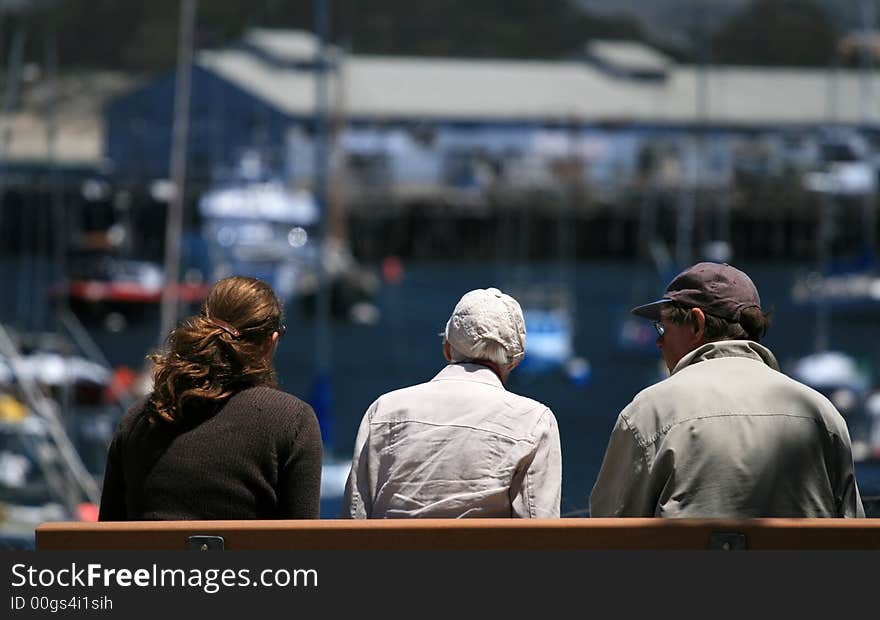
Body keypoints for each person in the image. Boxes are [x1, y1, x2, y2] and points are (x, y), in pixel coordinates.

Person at [590, 262, 865, 518]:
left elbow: (609, 531)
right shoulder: (821, 412)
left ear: (697, 324)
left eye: (662, 329)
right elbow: (854, 534)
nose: (658, 343)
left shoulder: (651, 411)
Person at [98, 276, 322, 520]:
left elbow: (108, 535)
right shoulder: (292, 422)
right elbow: (302, 544)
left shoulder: (138, 418)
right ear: (270, 343)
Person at [342, 287, 562, 518]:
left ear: (447, 349)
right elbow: (538, 530)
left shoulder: (383, 410)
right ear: (514, 362)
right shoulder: (533, 421)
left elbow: (354, 518)